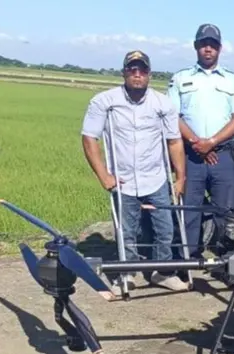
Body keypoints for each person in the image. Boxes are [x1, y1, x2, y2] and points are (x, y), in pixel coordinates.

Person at [81, 50, 189, 295]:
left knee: (165, 229)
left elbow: (174, 141)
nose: (137, 74)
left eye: (142, 70)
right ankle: (126, 273)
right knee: (126, 230)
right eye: (132, 69)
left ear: (149, 74)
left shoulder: (162, 103)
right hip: (123, 179)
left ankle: (162, 272)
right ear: (124, 73)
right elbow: (89, 138)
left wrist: (180, 177)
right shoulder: (104, 101)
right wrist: (103, 175)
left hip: (156, 177)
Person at [168, 23, 234, 260]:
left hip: (222, 156)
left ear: (220, 49)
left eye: (213, 45)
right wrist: (197, 143)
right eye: (204, 44)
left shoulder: (233, 80)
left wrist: (211, 142)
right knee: (189, 211)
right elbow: (173, 116)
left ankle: (225, 261)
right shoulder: (181, 78)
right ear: (196, 47)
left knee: (225, 212)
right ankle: (188, 260)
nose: (208, 49)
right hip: (191, 156)